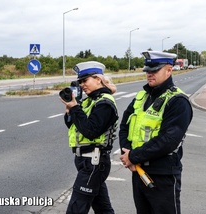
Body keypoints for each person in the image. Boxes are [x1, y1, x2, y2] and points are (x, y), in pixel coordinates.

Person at [119, 51, 193, 214]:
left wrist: (133, 156)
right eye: (147, 70)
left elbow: (168, 140)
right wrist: (127, 153)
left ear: (169, 69)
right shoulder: (141, 97)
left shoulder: (178, 101)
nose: (149, 74)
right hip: (138, 171)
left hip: (162, 174)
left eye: (154, 70)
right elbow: (124, 125)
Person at [60, 61, 118, 214]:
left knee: (76, 209)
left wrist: (75, 109)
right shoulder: (88, 101)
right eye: (80, 82)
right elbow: (74, 126)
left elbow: (91, 131)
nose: (82, 85)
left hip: (94, 162)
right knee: (103, 208)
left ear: (98, 79)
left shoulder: (104, 103)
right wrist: (70, 110)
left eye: (85, 80)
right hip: (85, 161)